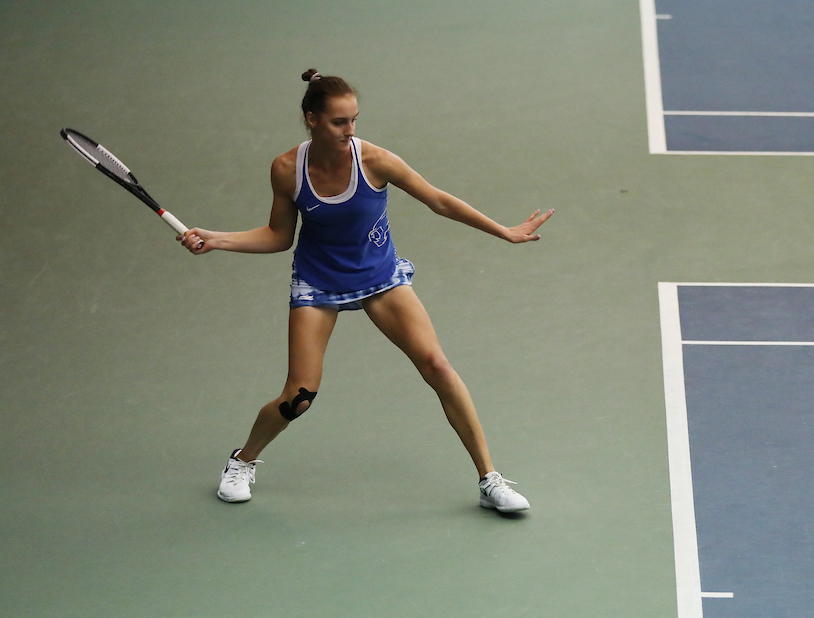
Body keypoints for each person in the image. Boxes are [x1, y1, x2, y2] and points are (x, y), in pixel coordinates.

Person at [178, 69, 552, 513]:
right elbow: (279, 236)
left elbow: (438, 200)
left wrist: (503, 231)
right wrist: (218, 240)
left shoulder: (375, 160)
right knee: (299, 397)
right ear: (312, 119)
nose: (350, 130)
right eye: (339, 122)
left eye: (354, 120)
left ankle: (490, 480)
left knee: (437, 365)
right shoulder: (287, 169)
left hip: (380, 277)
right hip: (318, 282)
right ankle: (241, 460)